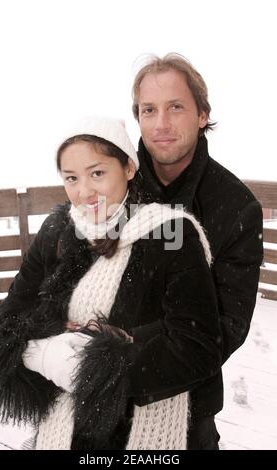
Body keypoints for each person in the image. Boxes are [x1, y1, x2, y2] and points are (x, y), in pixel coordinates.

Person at [0, 116, 222, 450]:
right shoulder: (56, 231)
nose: (84, 192)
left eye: (97, 173)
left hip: (136, 430)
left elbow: (197, 345)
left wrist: (94, 367)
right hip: (62, 428)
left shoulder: (171, 235)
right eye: (71, 178)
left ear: (127, 168)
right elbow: (8, 321)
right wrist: (45, 354)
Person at [131, 53, 264, 449]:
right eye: (148, 110)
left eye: (175, 107)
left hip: (188, 404)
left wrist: (118, 362)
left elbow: (225, 327)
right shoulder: (114, 188)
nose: (161, 124)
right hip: (100, 406)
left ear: (202, 114)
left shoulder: (236, 207)